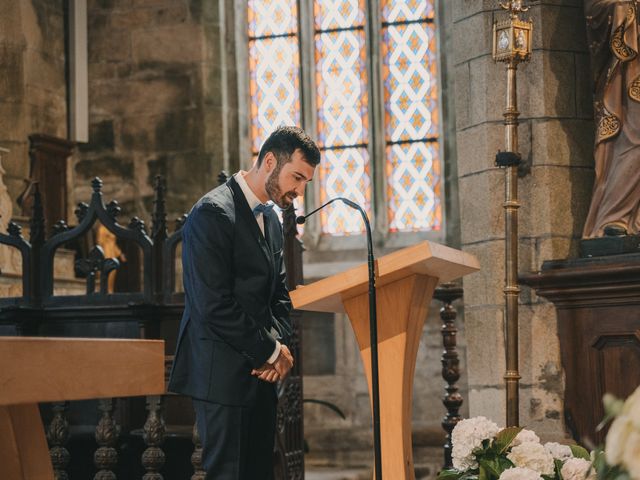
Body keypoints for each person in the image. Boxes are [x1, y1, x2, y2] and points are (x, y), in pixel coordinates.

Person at [168, 126, 321, 479]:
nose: (299, 191)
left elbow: (280, 295)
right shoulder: (211, 212)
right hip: (222, 375)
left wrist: (278, 348)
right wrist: (270, 351)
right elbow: (212, 304)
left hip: (261, 376)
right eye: (297, 177)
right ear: (270, 161)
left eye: (306, 183)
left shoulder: (269, 216)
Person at [583, 0, 640, 238]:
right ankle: (614, 216)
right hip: (629, 71)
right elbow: (594, 10)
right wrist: (626, 8)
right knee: (634, 135)